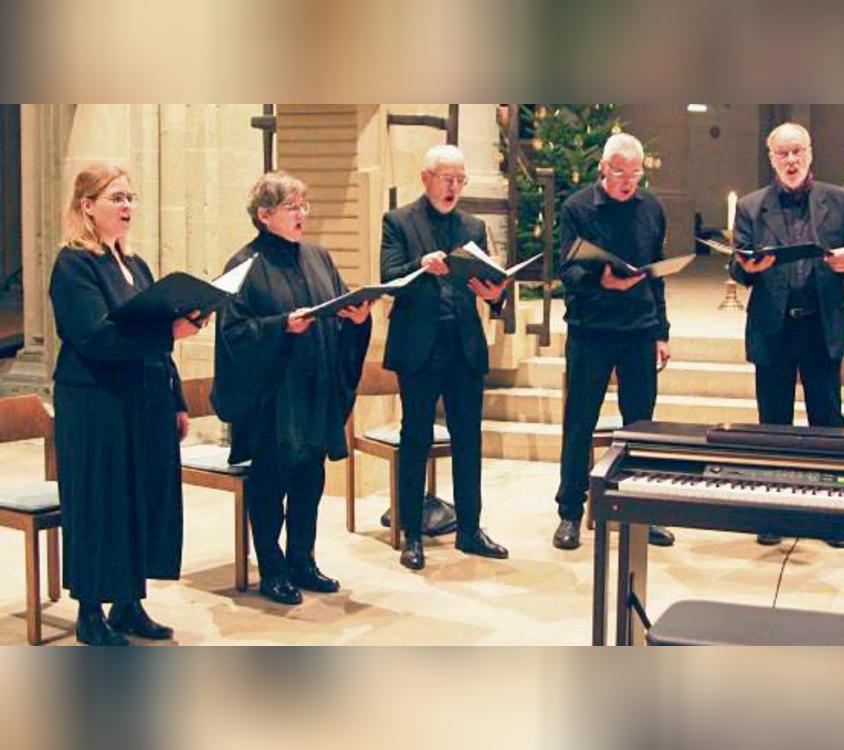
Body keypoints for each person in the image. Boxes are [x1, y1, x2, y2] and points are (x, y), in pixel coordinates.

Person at [50, 164, 209, 646]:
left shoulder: (135, 265)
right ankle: (90, 612)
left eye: (130, 198)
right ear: (87, 206)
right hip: (95, 403)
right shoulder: (74, 264)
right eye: (116, 198)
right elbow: (94, 335)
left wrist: (176, 399)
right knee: (101, 501)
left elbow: (153, 336)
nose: (127, 207)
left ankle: (127, 603)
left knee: (139, 497)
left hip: (144, 398)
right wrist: (167, 332)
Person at [212, 171, 372, 605]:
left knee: (310, 478)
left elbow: (337, 310)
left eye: (304, 205)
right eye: (292, 207)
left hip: (315, 388)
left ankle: (303, 560)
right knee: (270, 484)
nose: (302, 214)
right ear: (264, 216)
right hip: (272, 398)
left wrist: (357, 320)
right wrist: (281, 327)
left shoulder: (318, 257)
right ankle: (272, 568)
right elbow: (234, 333)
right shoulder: (244, 265)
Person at [728, 122, 844, 547]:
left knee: (827, 422)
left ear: (810, 154)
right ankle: (773, 514)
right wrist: (746, 269)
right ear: (771, 158)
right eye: (782, 153)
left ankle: (832, 516)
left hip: (820, 325)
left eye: (798, 152)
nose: (791, 160)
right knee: (773, 423)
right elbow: (738, 266)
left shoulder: (838, 200)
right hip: (775, 326)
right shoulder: (752, 207)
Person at [381, 144, 509, 570]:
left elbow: (487, 281)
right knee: (415, 438)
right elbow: (389, 278)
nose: (453, 187)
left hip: (463, 347)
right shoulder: (398, 221)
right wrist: (421, 264)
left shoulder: (472, 226)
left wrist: (496, 297)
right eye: (446, 178)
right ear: (426, 178)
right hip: (419, 347)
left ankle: (469, 529)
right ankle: (412, 534)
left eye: (460, 179)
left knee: (468, 439)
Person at [552, 133, 675, 551]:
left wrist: (662, 331)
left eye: (635, 172)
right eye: (620, 172)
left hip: (639, 329)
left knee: (641, 425)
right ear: (603, 168)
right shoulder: (577, 208)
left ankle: (642, 511)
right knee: (580, 421)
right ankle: (570, 512)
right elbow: (566, 271)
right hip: (591, 331)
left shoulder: (652, 208)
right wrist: (599, 280)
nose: (627, 181)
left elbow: (656, 274)